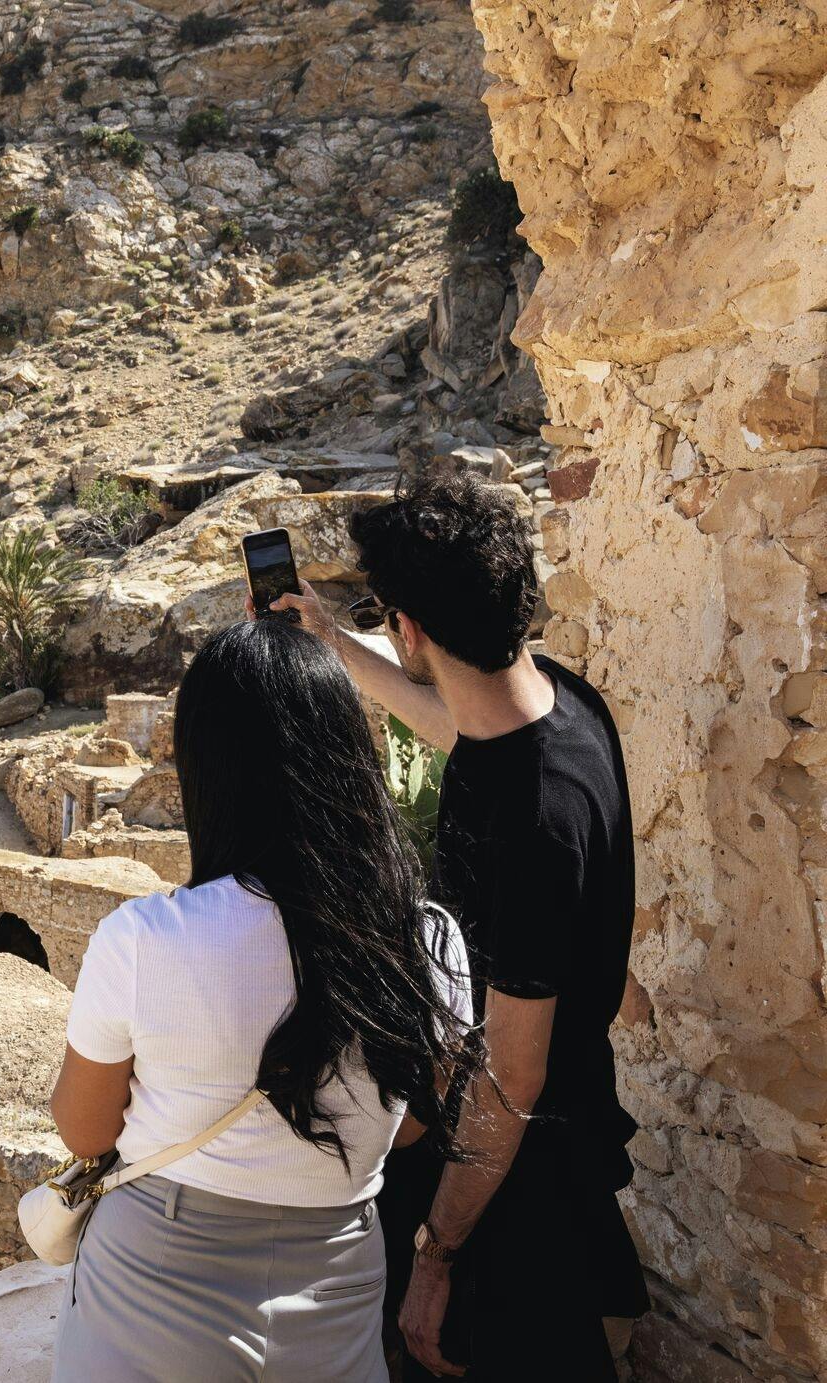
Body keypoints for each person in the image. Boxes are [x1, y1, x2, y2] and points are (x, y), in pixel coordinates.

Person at [274, 470, 647, 1379]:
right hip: (561, 1148)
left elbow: (512, 1075)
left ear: (410, 626)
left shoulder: (531, 825)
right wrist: (334, 639)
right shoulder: (560, 703)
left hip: (515, 1197)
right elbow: (462, 730)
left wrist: (436, 1254)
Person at [50, 618, 476, 1383]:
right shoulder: (432, 942)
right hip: (338, 1285)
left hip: (158, 1284)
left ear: (206, 770)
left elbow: (84, 1126)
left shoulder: (146, 937)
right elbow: (410, 1129)